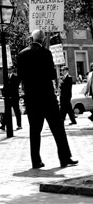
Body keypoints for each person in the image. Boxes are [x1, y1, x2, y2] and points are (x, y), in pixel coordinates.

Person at [17, 29, 78, 169]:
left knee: (34, 131)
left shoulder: (22, 54)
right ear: (43, 40)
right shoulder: (46, 53)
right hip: (47, 97)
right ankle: (64, 157)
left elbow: (20, 76)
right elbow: (51, 75)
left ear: (31, 38)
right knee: (58, 129)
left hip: (31, 99)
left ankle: (36, 161)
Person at [0, 67, 22, 131]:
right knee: (6, 112)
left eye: (10, 69)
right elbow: (4, 87)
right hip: (8, 97)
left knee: (17, 111)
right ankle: (3, 125)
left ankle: (19, 125)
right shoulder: (6, 77)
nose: (8, 70)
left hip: (14, 97)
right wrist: (4, 95)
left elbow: (15, 86)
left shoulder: (16, 77)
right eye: (8, 69)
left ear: (12, 70)